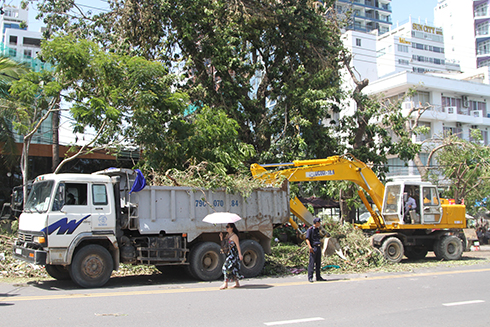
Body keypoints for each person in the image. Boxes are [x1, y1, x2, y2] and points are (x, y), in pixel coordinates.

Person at [219, 223, 243, 289]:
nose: (226, 228)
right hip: (229, 254)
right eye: (226, 227)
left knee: (225, 267)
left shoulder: (234, 236)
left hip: (233, 255)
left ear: (232, 228)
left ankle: (225, 283)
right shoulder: (227, 235)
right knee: (234, 269)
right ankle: (237, 283)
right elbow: (224, 245)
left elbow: (238, 245)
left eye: (228, 227)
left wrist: (240, 254)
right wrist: (221, 238)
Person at [305, 217, 326, 282]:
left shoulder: (317, 229)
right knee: (312, 263)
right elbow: (307, 239)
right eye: (319, 222)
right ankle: (310, 277)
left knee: (318, 263)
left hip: (318, 247)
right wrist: (310, 247)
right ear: (316, 223)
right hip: (313, 247)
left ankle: (318, 277)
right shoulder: (310, 229)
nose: (319, 223)